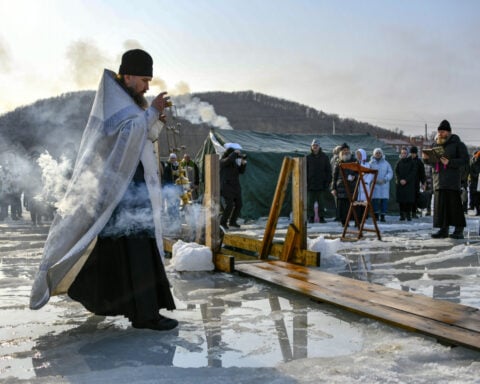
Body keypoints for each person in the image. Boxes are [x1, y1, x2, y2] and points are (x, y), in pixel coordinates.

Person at [30, 49, 178, 331]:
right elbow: (127, 136)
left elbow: (140, 136)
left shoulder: (128, 103)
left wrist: (154, 119)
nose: (147, 86)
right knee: (135, 251)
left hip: (130, 189)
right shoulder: (117, 105)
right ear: (129, 75)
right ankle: (145, 315)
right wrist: (152, 113)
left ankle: (97, 296)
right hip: (122, 192)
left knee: (119, 252)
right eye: (144, 80)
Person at [422, 120, 469, 239]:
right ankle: (443, 230)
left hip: (452, 181)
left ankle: (459, 230)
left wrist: (450, 162)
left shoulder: (458, 144)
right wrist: (426, 159)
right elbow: (432, 163)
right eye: (439, 132)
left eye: (442, 132)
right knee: (441, 207)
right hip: (438, 180)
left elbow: (464, 160)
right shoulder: (435, 145)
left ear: (449, 132)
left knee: (454, 206)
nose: (440, 134)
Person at [220, 143, 247, 229]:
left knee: (239, 204)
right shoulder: (223, 161)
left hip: (235, 186)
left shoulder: (233, 163)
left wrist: (243, 163)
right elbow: (229, 159)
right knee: (229, 205)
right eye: (234, 154)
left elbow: (241, 171)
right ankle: (223, 222)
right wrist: (235, 153)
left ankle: (232, 221)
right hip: (226, 186)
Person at [331, 143, 357, 226]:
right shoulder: (338, 162)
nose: (345, 152)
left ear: (349, 151)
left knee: (351, 205)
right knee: (342, 206)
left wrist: (354, 177)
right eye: (344, 150)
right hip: (341, 187)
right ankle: (344, 222)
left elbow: (358, 172)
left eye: (347, 150)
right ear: (341, 152)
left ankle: (353, 221)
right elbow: (334, 176)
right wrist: (333, 188)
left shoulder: (354, 161)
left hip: (352, 187)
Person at [306, 139, 331, 223]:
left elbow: (328, 170)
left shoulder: (324, 157)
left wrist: (327, 182)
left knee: (321, 202)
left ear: (319, 147)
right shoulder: (308, 157)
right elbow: (305, 171)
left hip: (321, 184)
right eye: (313, 146)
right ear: (311, 147)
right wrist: (306, 182)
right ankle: (311, 217)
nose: (315, 147)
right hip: (311, 184)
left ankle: (322, 217)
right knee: (310, 203)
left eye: (316, 145)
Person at [369, 148, 393, 222]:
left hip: (384, 185)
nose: (378, 154)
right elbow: (368, 173)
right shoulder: (371, 163)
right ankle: (376, 216)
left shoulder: (386, 163)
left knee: (384, 201)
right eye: (376, 153)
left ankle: (383, 216)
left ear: (381, 154)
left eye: (379, 153)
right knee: (375, 201)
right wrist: (373, 179)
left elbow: (390, 173)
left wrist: (385, 179)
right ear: (374, 154)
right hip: (375, 184)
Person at [394, 147, 416, 221]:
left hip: (409, 185)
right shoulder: (399, 162)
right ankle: (402, 215)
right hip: (400, 185)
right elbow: (396, 172)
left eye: (405, 153)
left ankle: (408, 215)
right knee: (401, 201)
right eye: (402, 153)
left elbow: (413, 173)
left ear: (407, 154)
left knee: (408, 201)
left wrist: (406, 180)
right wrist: (400, 180)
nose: (403, 154)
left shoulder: (411, 162)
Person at [409, 146, 426, 218]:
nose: (413, 154)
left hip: (416, 182)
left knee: (415, 198)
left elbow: (422, 173)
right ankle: (408, 212)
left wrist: (423, 182)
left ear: (416, 153)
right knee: (409, 198)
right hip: (408, 182)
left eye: (414, 153)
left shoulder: (419, 162)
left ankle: (414, 212)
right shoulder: (407, 160)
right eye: (412, 153)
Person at [469, 150, 480, 216]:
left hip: (475, 182)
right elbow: (471, 171)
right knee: (476, 198)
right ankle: (477, 210)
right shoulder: (473, 161)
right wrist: (477, 176)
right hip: (475, 182)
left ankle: (478, 210)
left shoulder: (473, 161)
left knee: (476, 198)